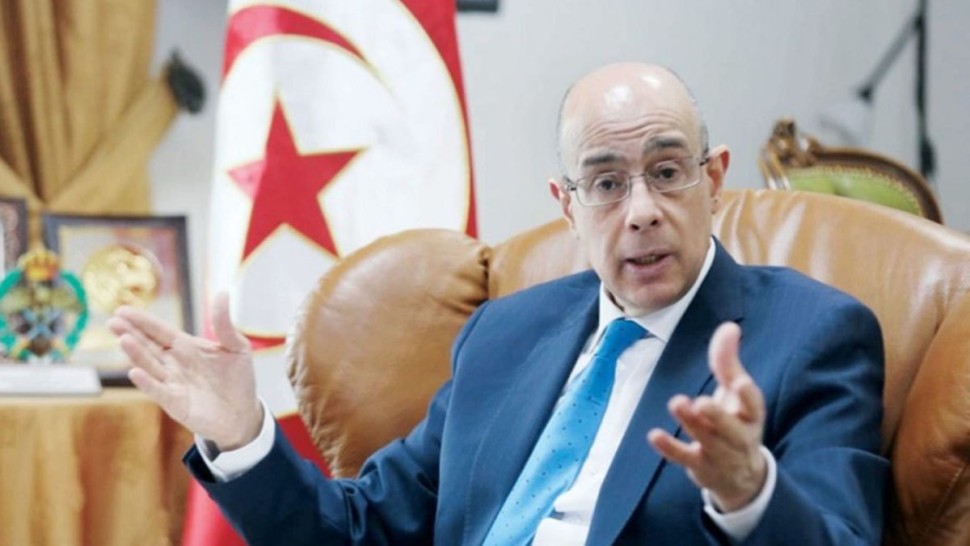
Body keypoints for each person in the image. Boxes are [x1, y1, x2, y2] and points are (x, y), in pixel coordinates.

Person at [109, 62, 887, 545]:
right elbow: (361, 531)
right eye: (607, 183)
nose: (643, 211)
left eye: (667, 172)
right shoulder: (507, 334)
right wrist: (240, 433)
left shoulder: (812, 336)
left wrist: (749, 492)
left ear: (713, 180)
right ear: (567, 205)